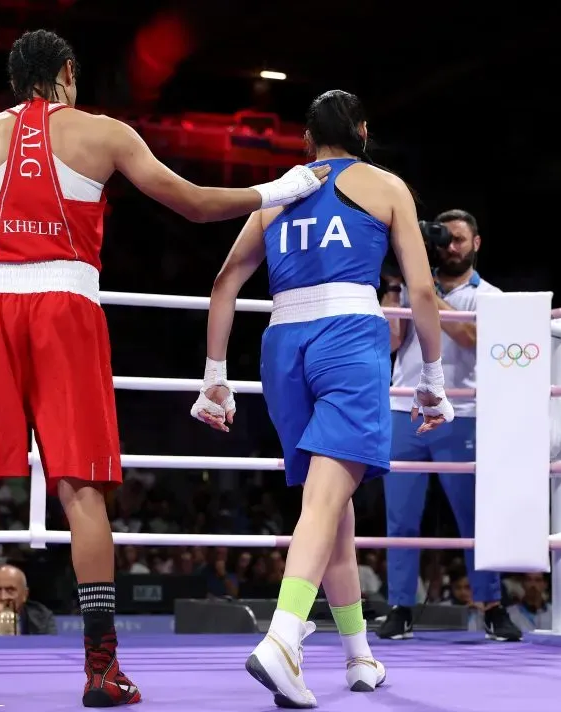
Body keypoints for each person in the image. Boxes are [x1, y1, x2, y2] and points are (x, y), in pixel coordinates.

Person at [0, 29, 330, 707]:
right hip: (67, 310)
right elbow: (191, 202)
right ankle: (101, 669)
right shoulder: (103, 132)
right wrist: (277, 188)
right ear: (68, 73)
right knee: (80, 486)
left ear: (18, 82)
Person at [190, 89, 454, 708]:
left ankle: (359, 655)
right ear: (361, 130)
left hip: (282, 348)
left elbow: (224, 281)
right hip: (347, 340)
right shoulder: (386, 186)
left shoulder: (280, 191)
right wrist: (434, 380)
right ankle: (283, 640)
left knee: (331, 505)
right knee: (325, 500)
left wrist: (214, 375)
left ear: (308, 140)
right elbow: (420, 289)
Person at [375, 210, 522, 643]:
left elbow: (475, 343)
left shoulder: (489, 296)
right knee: (400, 518)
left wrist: (426, 293)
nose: (451, 247)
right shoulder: (407, 289)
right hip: (405, 408)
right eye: (444, 240)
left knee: (472, 518)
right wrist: (398, 287)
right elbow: (390, 342)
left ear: (476, 243)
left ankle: (492, 607)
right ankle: (400, 606)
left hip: (463, 414)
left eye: (460, 239)